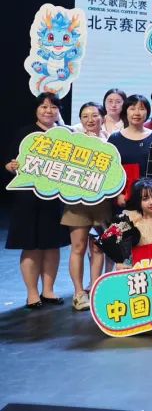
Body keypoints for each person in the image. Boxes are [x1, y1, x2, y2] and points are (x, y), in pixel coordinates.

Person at [4, 93, 70, 309]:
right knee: (31, 245)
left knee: (52, 245)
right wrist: (10, 167)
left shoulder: (66, 135)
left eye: (53, 107)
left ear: (59, 111)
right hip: (28, 199)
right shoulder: (25, 133)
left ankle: (48, 290)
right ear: (36, 110)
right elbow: (10, 163)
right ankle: (32, 293)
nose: (48, 111)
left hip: (55, 199)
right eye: (43, 106)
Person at [63, 101, 113, 310]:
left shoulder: (111, 141)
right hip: (77, 202)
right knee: (78, 247)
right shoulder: (72, 141)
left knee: (99, 248)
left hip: (103, 203)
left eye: (94, 115)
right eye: (85, 116)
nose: (90, 120)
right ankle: (78, 293)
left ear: (103, 117)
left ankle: (95, 288)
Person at [108, 94, 152, 180]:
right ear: (125, 111)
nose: (137, 113)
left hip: (151, 187)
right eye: (132, 109)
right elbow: (109, 169)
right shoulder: (115, 139)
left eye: (141, 109)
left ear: (147, 112)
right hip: (124, 187)